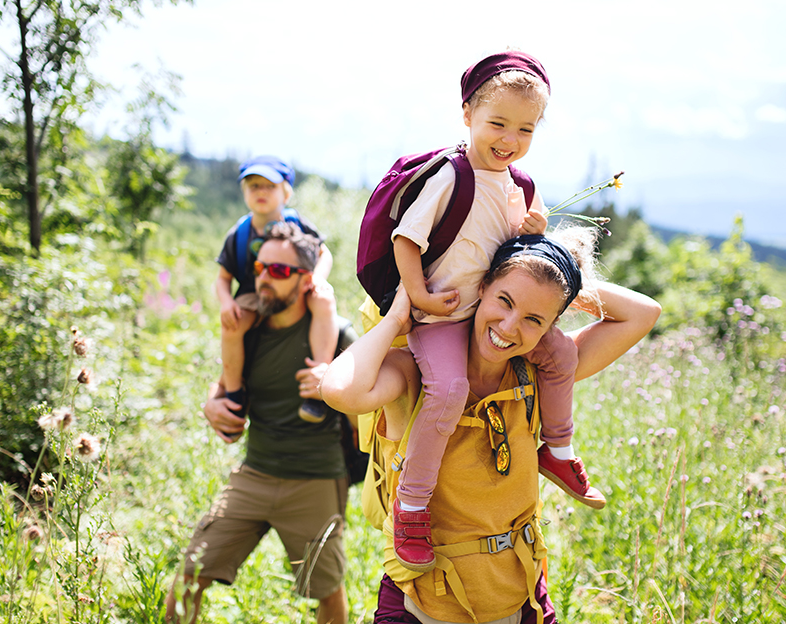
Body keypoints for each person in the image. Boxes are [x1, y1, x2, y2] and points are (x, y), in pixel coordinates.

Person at [322, 230, 661, 624]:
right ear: (480, 287)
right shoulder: (415, 372)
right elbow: (340, 390)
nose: (510, 327)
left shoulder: (540, 374)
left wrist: (556, 272)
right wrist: (399, 316)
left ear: (550, 326)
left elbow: (644, 313)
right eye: (505, 300)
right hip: (423, 603)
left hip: (520, 598)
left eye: (534, 319)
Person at [386, 50, 602, 573]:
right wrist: (417, 297)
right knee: (449, 390)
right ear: (467, 115)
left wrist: (532, 230)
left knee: (559, 357)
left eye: (525, 130)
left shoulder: (518, 186)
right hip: (442, 315)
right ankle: (412, 505)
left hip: (489, 310)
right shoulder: (450, 176)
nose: (510, 139)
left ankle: (558, 447)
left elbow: (517, 255)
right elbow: (406, 239)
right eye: (498, 123)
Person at [168, 223, 356, 624]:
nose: (264, 278)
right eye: (260, 267)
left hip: (316, 479)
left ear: (307, 280)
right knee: (190, 573)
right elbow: (223, 388)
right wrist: (210, 406)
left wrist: (336, 389)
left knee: (326, 589)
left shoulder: (337, 335)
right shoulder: (248, 330)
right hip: (254, 473)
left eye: (280, 271)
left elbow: (369, 410)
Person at [215, 155, 338, 425]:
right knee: (232, 326)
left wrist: (317, 278)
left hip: (295, 287)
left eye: (269, 186)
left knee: (324, 301)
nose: (261, 192)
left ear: (286, 192)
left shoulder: (299, 224)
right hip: (253, 293)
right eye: (253, 186)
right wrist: (226, 302)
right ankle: (234, 393)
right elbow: (223, 278)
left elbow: (323, 253)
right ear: (244, 192)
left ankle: (318, 380)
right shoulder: (238, 233)